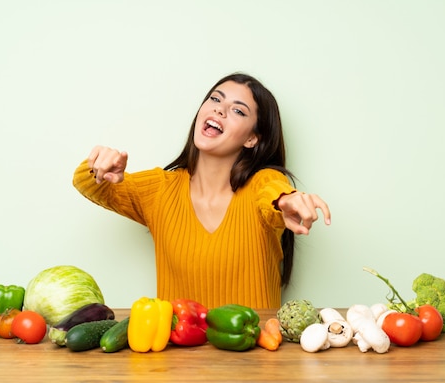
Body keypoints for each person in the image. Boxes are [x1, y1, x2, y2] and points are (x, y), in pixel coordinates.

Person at [73, 72, 330, 309]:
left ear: (252, 139)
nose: (220, 108)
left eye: (238, 111)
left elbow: (273, 194)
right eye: (215, 99)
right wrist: (98, 166)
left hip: (256, 353)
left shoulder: (261, 184)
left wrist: (287, 200)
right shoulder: (161, 190)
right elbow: (94, 186)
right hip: (177, 355)